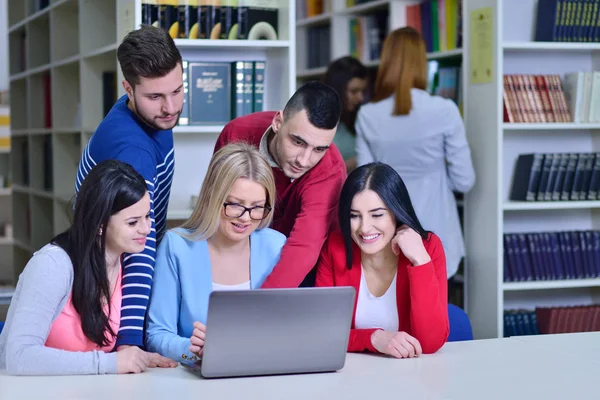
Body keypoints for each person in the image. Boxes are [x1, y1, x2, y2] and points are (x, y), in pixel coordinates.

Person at [0, 160, 178, 375]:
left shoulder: (125, 263)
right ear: (100, 225)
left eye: (148, 216)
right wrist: (111, 363)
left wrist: (138, 357)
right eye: (133, 222)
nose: (146, 229)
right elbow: (19, 357)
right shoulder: (53, 266)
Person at [75, 25, 183, 348]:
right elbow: (139, 247)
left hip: (114, 271)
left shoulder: (147, 115)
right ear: (128, 88)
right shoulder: (133, 151)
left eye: (177, 90)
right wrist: (131, 343)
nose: (171, 107)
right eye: (156, 96)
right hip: (107, 289)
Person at [145, 143, 286, 362]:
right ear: (213, 197)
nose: (246, 218)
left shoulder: (276, 246)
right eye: (235, 204)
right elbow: (156, 335)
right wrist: (193, 349)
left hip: (264, 374)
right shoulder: (177, 247)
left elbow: (292, 325)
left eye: (257, 206)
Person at [355, 27, 475, 279]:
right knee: (433, 310)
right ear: (422, 62)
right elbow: (465, 180)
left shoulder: (367, 114)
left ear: (385, 63)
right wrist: (437, 174)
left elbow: (363, 183)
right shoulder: (444, 109)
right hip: (438, 228)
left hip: (387, 231)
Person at [214, 81, 346, 289]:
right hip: (238, 256)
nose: (304, 160)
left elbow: (304, 248)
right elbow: (217, 208)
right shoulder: (236, 134)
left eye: (319, 149)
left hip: (301, 271)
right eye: (298, 142)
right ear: (278, 122)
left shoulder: (330, 169)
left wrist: (261, 310)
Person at [316, 163, 449, 358]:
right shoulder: (335, 248)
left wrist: (420, 261)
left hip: (410, 377)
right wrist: (374, 339)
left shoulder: (428, 247)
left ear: (396, 212)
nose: (365, 228)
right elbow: (322, 333)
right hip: (350, 376)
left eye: (377, 215)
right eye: (354, 216)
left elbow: (430, 343)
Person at [323, 56, 368, 172]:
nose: (360, 98)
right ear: (338, 89)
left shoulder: (360, 119)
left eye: (363, 91)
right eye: (354, 91)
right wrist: (348, 165)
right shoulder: (319, 125)